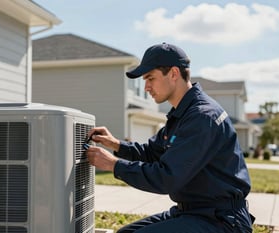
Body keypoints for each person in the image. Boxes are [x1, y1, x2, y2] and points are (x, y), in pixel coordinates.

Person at [86, 43, 254, 233]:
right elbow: (152, 153)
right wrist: (115, 144)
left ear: (174, 73)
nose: (146, 87)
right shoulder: (183, 115)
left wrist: (113, 165)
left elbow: (166, 178)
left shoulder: (201, 116)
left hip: (222, 221)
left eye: (150, 78)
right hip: (193, 212)